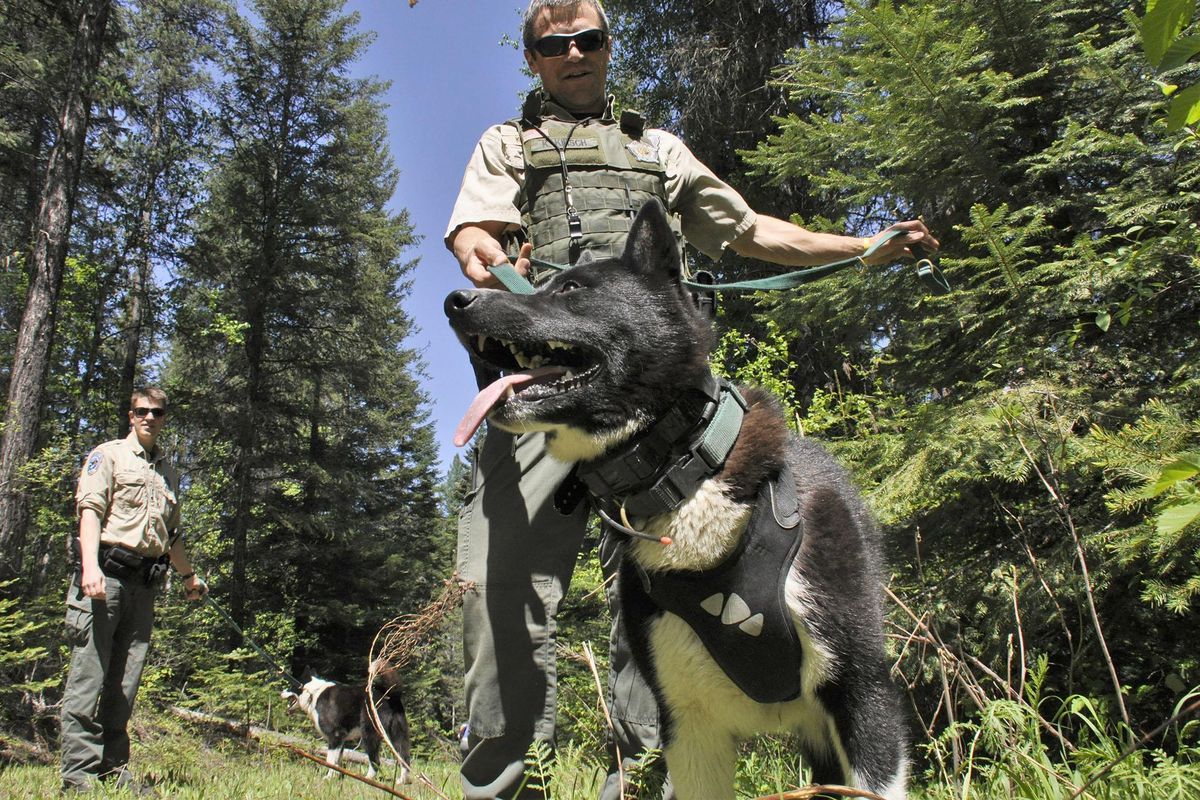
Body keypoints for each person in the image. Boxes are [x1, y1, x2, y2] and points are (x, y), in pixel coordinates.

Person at [444, 2, 939, 797]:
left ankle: (648, 783)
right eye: (553, 44)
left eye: (589, 38)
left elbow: (746, 232)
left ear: (608, 48)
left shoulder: (657, 150)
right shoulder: (507, 144)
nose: (573, 53)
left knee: (662, 608)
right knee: (497, 597)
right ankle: (499, 787)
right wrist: (488, 254)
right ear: (532, 59)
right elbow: (474, 233)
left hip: (654, 412)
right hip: (547, 399)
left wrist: (865, 247)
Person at [60, 387, 207, 793]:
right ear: (131, 415)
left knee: (126, 682)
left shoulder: (168, 473)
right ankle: (78, 776)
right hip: (103, 578)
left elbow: (171, 536)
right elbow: (90, 512)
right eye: (142, 411)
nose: (149, 418)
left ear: (164, 418)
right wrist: (89, 566)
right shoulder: (107, 456)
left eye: (157, 412)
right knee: (89, 676)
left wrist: (189, 576)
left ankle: (112, 768)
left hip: (145, 585)